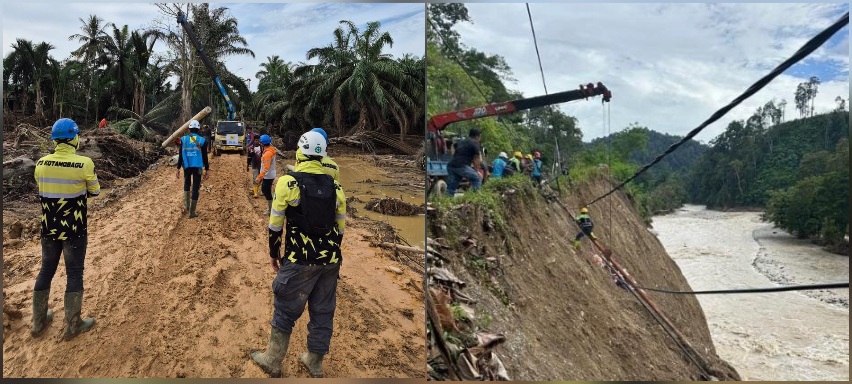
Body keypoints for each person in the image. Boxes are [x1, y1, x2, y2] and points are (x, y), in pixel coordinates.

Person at [250, 130, 346, 378]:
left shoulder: (287, 183)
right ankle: (314, 362)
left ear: (300, 153)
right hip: (330, 260)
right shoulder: (336, 187)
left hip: (299, 259)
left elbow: (275, 224)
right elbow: (340, 229)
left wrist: (274, 252)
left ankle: (272, 359)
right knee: (323, 310)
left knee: (285, 307)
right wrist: (329, 256)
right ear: (323, 155)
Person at [32, 118, 101, 340]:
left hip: (48, 228)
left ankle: (39, 321)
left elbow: (41, 187)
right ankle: (73, 325)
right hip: (75, 229)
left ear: (54, 140)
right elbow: (95, 191)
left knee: (46, 270)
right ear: (74, 138)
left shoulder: (41, 164)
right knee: (73, 273)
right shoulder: (85, 164)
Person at [175, 119, 210, 218]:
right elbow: (205, 156)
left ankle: (187, 206)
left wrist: (178, 168)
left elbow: (181, 155)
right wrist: (207, 169)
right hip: (197, 166)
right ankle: (192, 212)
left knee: (186, 184)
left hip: (187, 165)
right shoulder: (202, 140)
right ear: (199, 129)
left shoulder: (184, 139)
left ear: (189, 129)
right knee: (195, 187)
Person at [446, 128, 483, 196]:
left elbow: (453, 146)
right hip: (461, 166)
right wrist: (477, 171)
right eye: (480, 137)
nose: (479, 139)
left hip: (451, 165)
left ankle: (446, 201)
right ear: (477, 136)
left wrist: (454, 155)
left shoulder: (462, 141)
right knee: (477, 179)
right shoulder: (475, 143)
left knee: (451, 187)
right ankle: (474, 199)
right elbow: (476, 159)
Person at [255, 134, 277, 214]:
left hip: (268, 175)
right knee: (265, 190)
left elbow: (266, 168)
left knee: (266, 191)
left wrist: (259, 177)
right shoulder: (270, 149)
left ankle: (271, 210)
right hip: (269, 174)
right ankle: (271, 208)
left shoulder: (268, 153)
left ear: (262, 143)